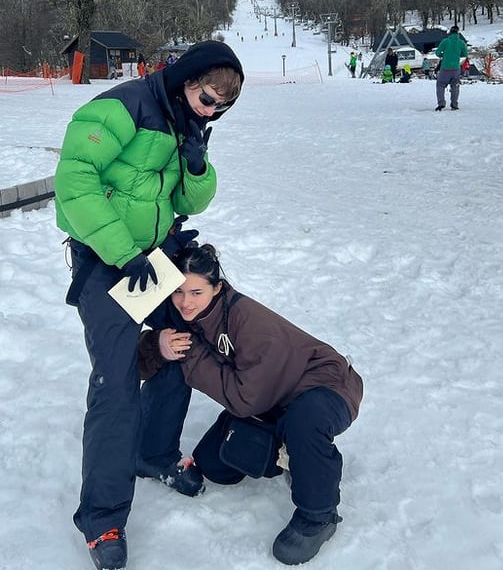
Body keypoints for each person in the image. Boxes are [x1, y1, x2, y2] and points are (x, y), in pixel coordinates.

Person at [54, 41, 244, 570]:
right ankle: (103, 519)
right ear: (186, 78)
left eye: (222, 108)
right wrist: (121, 251)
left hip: (155, 256)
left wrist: (198, 165)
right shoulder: (120, 108)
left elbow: (186, 201)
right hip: (107, 260)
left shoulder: (188, 122)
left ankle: (153, 452)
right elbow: (73, 181)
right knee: (116, 386)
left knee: (181, 346)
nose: (212, 112)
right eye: (208, 98)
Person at [137, 244, 364, 566]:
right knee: (215, 466)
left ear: (217, 288)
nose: (186, 302)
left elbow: (245, 401)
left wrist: (188, 353)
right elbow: (138, 365)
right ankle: (293, 455)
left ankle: (318, 515)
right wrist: (157, 344)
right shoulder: (188, 313)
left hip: (323, 386)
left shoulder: (248, 320)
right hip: (273, 396)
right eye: (178, 291)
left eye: (196, 292)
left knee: (304, 424)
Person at [434, 25, 468, 111]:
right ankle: (454, 104)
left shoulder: (445, 41)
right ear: (458, 32)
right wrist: (456, 55)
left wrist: (443, 55)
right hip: (456, 68)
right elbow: (465, 54)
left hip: (445, 67)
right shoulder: (461, 42)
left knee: (440, 85)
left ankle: (441, 103)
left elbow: (437, 53)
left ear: (450, 32)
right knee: (455, 86)